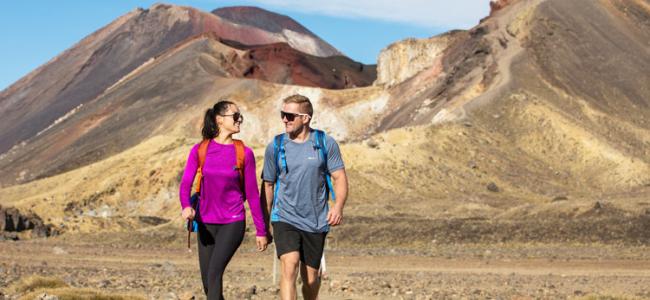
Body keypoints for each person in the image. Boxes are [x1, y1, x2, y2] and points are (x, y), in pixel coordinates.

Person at [179, 100, 268, 300]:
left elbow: (253, 195)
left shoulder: (244, 153)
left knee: (214, 274)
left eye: (240, 116)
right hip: (205, 223)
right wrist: (186, 206)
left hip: (233, 221)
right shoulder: (200, 150)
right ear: (220, 120)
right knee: (208, 283)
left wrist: (261, 231)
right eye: (235, 116)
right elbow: (185, 184)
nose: (240, 120)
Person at [262, 94, 349, 300]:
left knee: (310, 280)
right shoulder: (275, 146)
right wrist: (263, 224)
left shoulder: (325, 143)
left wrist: (337, 207)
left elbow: (339, 178)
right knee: (289, 266)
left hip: (316, 220)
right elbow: (268, 185)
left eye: (290, 116)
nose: (284, 119)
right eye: (282, 114)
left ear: (306, 118)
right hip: (284, 217)